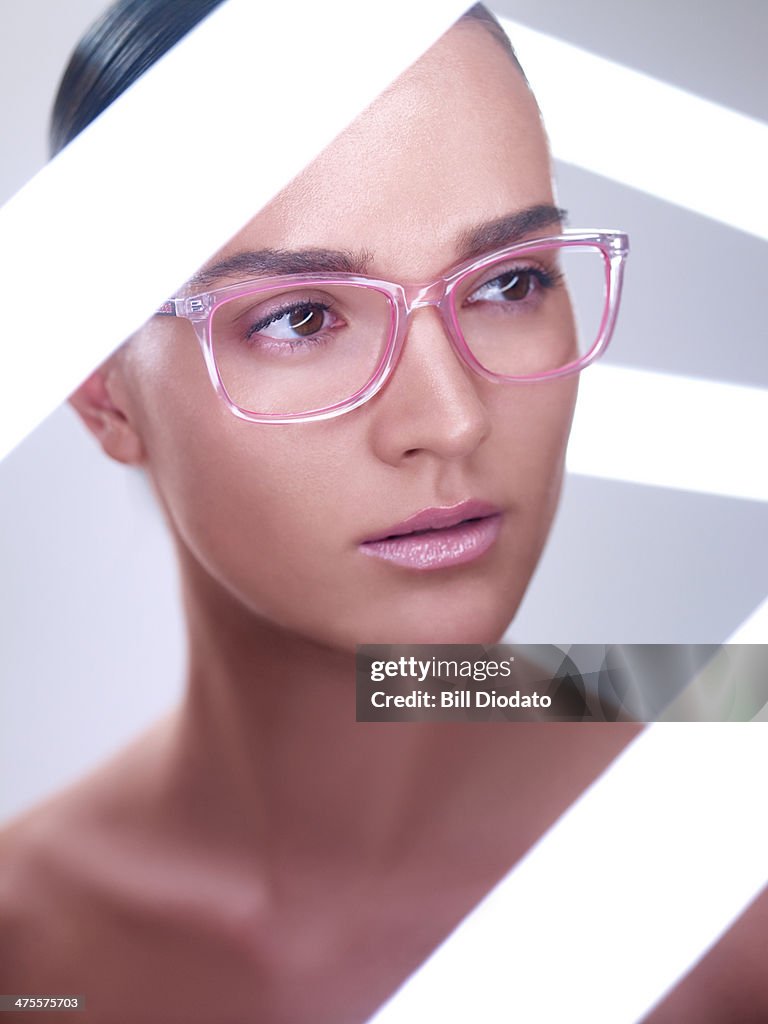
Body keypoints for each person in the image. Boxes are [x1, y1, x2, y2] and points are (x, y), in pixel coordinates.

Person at [4, 2, 762, 1021]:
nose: (449, 420)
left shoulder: (733, 886)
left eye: (508, 283)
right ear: (103, 388)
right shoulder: (26, 947)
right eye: (302, 316)